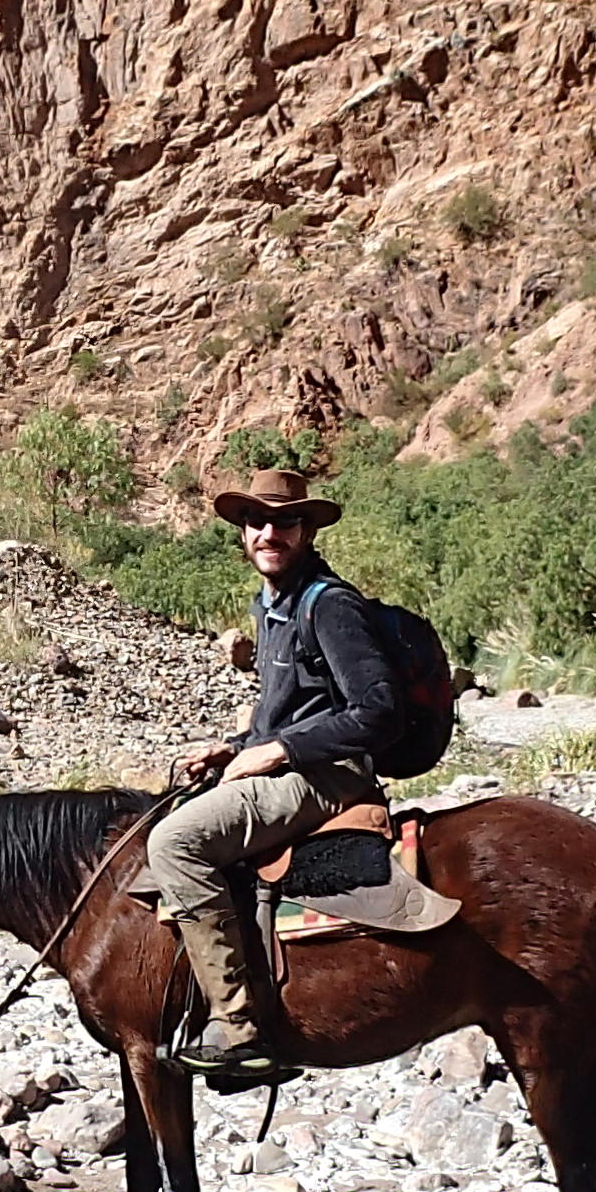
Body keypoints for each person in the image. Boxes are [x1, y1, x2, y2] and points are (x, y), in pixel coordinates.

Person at [145, 463, 400, 1084]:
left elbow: (378, 709)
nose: (268, 532)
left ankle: (240, 1030)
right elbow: (288, 711)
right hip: (296, 761)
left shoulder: (328, 604)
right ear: (242, 531)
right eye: (255, 521)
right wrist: (232, 747)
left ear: (306, 530)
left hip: (329, 775)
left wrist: (278, 751)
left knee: (174, 843)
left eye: (283, 521)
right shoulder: (273, 604)